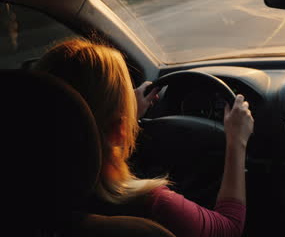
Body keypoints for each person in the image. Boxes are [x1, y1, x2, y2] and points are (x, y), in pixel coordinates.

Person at [35, 38, 254, 237]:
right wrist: (236, 141)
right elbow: (229, 229)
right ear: (117, 130)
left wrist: (127, 113)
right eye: (125, 99)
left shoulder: (22, 193)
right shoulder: (153, 207)